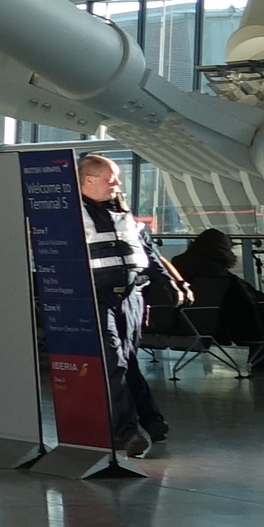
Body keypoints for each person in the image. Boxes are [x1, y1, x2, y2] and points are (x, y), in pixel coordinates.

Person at [76, 154, 174, 446]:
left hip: (131, 297)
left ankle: (152, 421)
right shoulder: (69, 214)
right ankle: (126, 432)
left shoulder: (123, 212)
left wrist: (169, 283)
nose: (117, 184)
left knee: (128, 360)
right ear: (89, 180)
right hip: (95, 297)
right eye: (111, 178)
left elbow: (147, 252)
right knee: (113, 362)